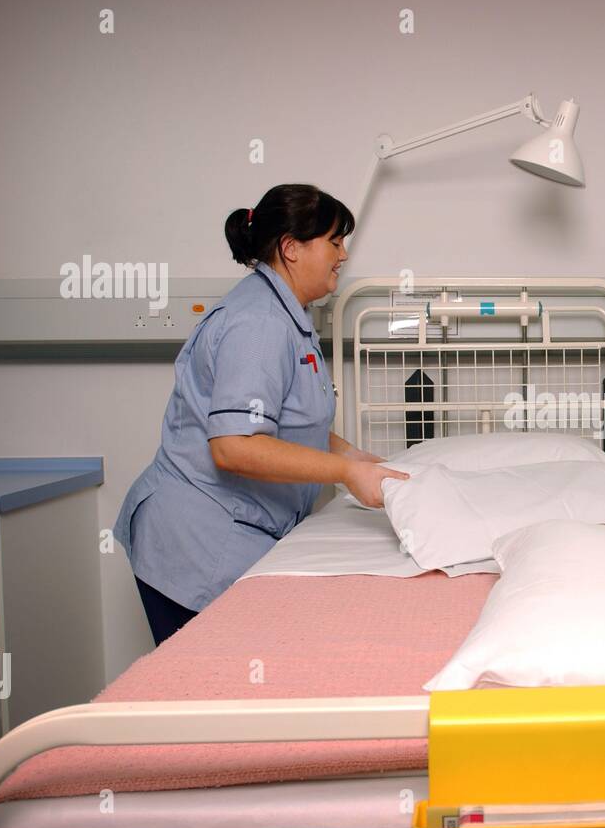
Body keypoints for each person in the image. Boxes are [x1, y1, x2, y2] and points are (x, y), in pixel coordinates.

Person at [113, 184, 407, 645]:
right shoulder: (260, 324)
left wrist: (361, 459)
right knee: (206, 699)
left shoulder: (285, 315)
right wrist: (346, 473)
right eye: (335, 241)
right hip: (196, 544)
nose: (344, 255)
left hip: (225, 533)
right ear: (291, 248)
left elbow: (289, 423)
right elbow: (235, 446)